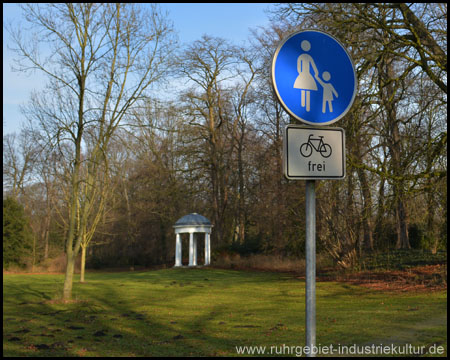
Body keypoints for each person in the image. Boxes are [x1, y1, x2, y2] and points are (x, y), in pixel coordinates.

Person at [293, 40, 319, 112]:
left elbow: (313, 65)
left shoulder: (308, 57)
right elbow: (298, 66)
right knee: (303, 88)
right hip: (303, 74)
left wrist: (316, 72)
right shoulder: (301, 57)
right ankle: (303, 105)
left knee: (308, 89)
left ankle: (307, 106)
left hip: (307, 74)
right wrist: (300, 73)